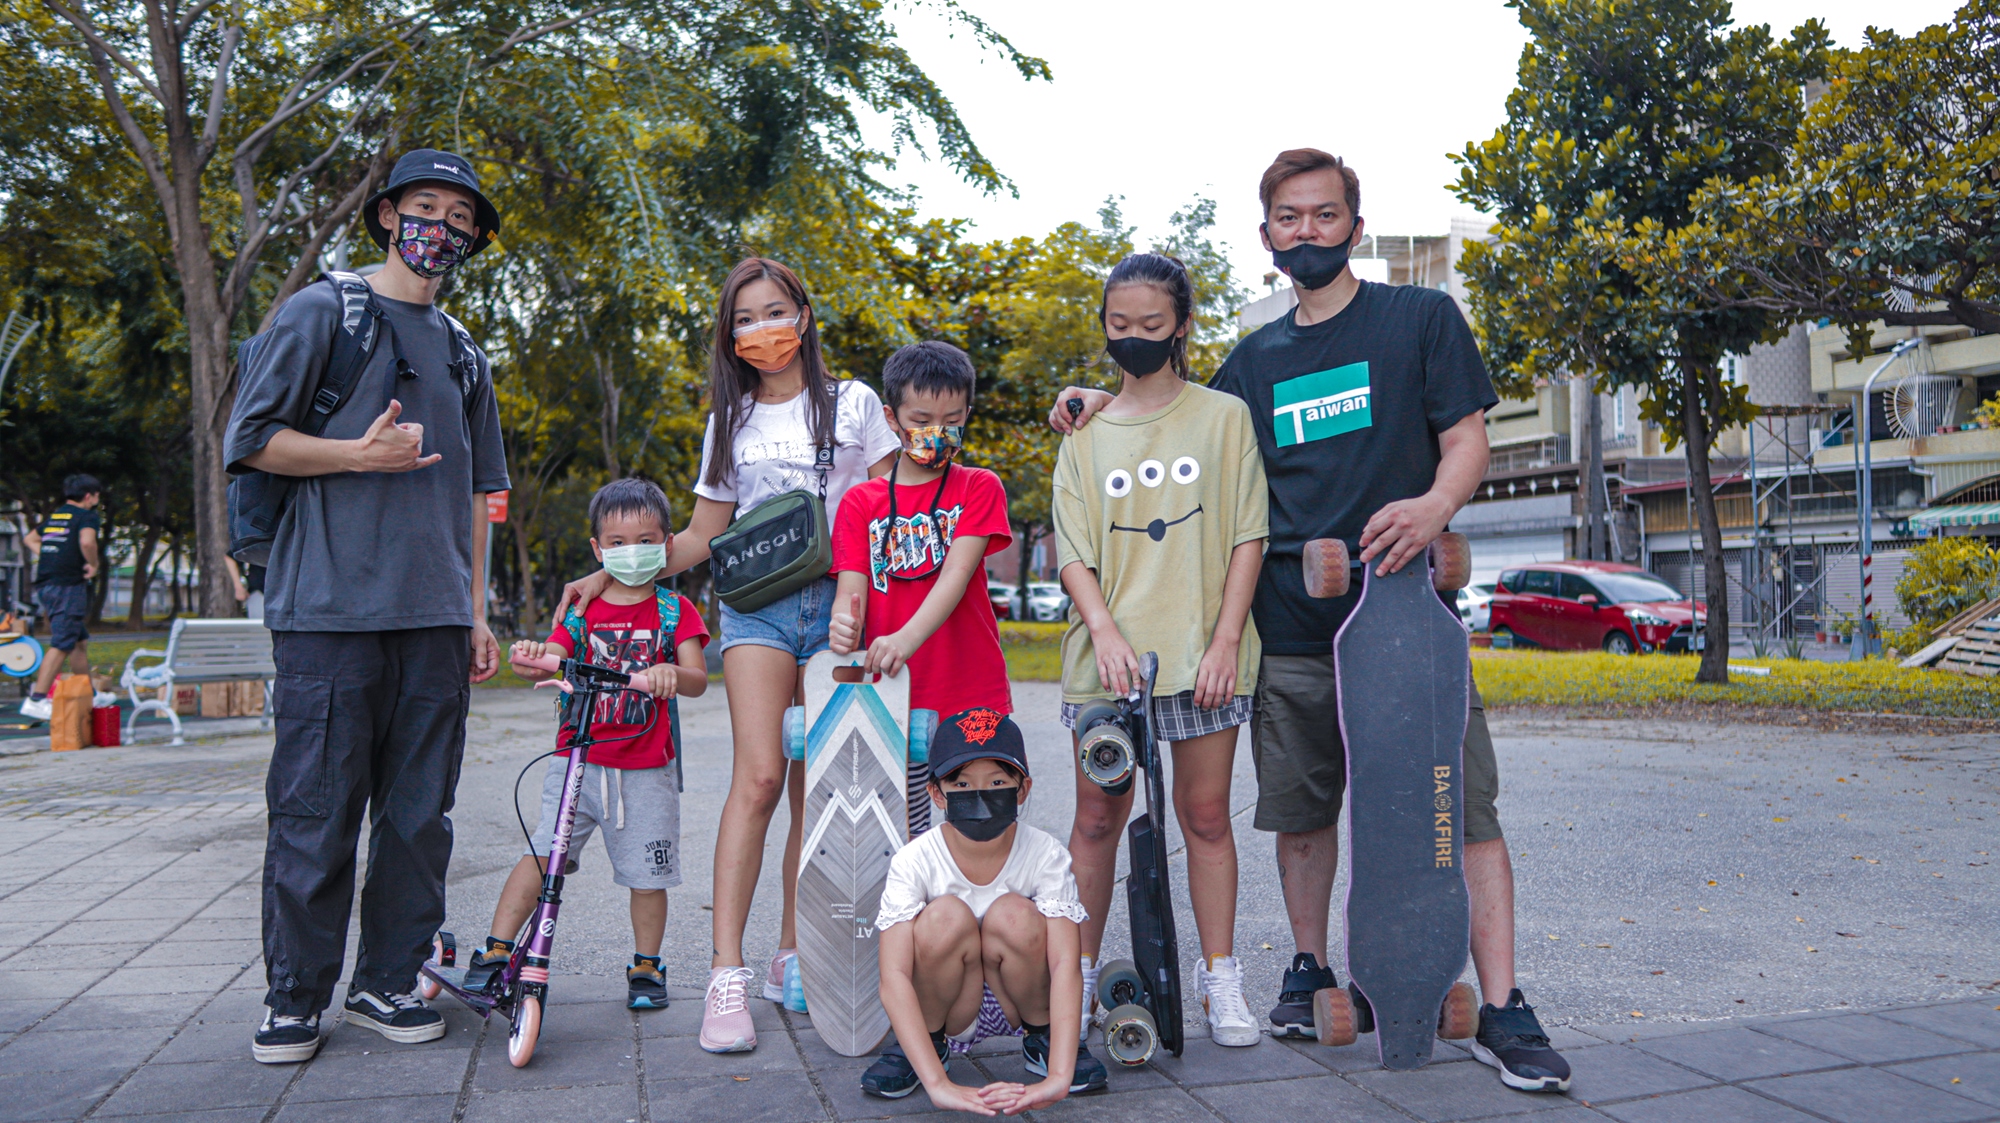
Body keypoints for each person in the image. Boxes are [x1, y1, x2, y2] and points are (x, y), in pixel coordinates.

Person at [1050, 149, 1572, 1093]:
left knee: (1460, 808)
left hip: (1407, 625)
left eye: (1325, 215)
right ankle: (1309, 967)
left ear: (1355, 227)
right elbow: (1171, 411)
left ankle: (1502, 1004)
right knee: (1302, 814)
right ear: (1267, 237)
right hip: (1293, 628)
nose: (1307, 232)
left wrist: (1433, 508)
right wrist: (1094, 401)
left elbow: (1466, 438)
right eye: (1289, 218)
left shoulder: (1419, 318)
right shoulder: (1255, 361)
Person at [553, 257, 902, 1054]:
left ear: (803, 316)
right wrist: (615, 570)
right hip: (758, 608)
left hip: (844, 608)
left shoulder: (854, 403)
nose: (761, 329)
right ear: (729, 335)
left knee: (822, 791)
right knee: (761, 777)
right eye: (744, 319)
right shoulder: (731, 418)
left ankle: (795, 952)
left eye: (774, 311)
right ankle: (725, 972)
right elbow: (703, 536)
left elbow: (893, 505)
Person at [224, 148, 509, 1064]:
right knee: (315, 811)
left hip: (435, 620)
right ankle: (294, 997)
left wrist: (476, 609)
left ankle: (387, 980)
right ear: (387, 215)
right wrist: (357, 454)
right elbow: (252, 438)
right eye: (425, 207)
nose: (441, 229)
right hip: (327, 610)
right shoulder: (324, 311)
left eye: (460, 219)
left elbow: (481, 493)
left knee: (420, 817)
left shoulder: (464, 352)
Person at [1051, 254, 1269, 1049]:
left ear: (1181, 325)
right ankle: (1075, 979)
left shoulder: (1224, 417)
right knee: (1095, 820)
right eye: (1120, 324)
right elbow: (1074, 549)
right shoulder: (1083, 432)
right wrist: (1104, 630)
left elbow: (1248, 533)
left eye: (1151, 323)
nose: (1134, 336)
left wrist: (1225, 640)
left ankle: (1220, 977)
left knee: (1206, 817)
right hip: (1106, 663)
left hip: (1203, 657)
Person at [469, 478, 709, 1010]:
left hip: (646, 768)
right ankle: (495, 949)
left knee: (648, 875)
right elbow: (552, 655)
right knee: (543, 854)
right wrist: (533, 656)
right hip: (577, 759)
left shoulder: (676, 611)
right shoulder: (582, 610)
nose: (632, 552)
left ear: (667, 544)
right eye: (618, 543)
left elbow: (697, 679)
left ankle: (646, 965)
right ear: (598, 550)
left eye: (646, 540)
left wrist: (671, 673)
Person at [872, 709, 1104, 1113]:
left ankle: (1044, 1037)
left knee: (1014, 913)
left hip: (1018, 993)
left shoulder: (1045, 854)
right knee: (944, 915)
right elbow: (893, 975)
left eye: (997, 782)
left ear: (1022, 788)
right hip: (949, 999)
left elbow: (1067, 965)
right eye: (962, 784)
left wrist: (1059, 1077)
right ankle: (925, 1047)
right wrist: (938, 1086)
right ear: (936, 793)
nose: (979, 795)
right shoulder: (915, 860)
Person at [18, 475, 102, 722]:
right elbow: (87, 542)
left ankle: (90, 695)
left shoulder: (58, 516)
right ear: (89, 496)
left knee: (78, 641)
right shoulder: (86, 516)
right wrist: (93, 565)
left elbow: (30, 539)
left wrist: (50, 557)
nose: (97, 500)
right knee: (63, 643)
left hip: (48, 584)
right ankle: (36, 700)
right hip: (68, 586)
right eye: (97, 496)